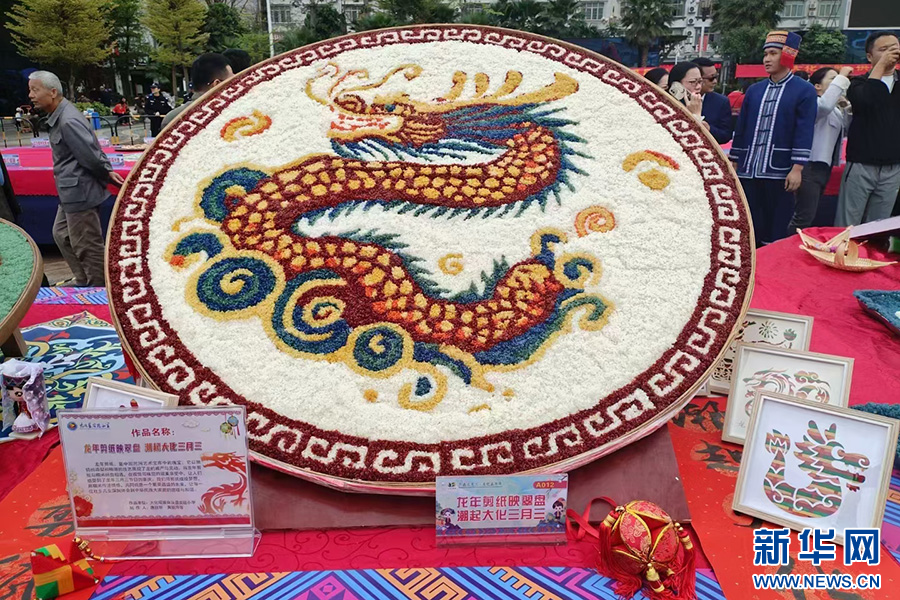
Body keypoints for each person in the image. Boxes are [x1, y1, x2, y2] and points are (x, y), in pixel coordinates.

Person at [27, 71, 125, 286]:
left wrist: (106, 172)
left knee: (86, 245)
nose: (31, 95)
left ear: (53, 92)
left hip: (81, 191)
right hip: (70, 192)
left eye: (35, 90)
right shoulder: (60, 115)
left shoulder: (68, 120)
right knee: (62, 234)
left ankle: (99, 287)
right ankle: (83, 279)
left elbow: (90, 155)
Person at [730, 31, 817, 246]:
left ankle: (771, 259)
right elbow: (741, 128)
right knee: (750, 220)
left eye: (773, 53)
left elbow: (804, 130)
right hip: (749, 168)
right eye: (765, 54)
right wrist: (734, 159)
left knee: (777, 222)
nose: (767, 59)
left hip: (780, 169)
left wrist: (797, 168)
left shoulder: (804, 90)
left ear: (787, 55)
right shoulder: (754, 90)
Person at [836, 32, 900, 227]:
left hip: (893, 167)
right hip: (860, 165)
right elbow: (867, 100)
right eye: (883, 49)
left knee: (878, 227)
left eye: (894, 48)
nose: (890, 53)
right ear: (869, 56)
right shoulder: (858, 83)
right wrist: (881, 66)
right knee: (847, 225)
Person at [788, 67, 853, 231]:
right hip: (808, 166)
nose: (838, 82)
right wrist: (842, 76)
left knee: (809, 214)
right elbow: (824, 107)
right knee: (803, 216)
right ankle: (787, 243)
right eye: (833, 79)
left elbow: (847, 126)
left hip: (823, 167)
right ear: (817, 86)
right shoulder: (813, 104)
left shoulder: (835, 110)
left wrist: (846, 107)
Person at [161, 53, 234, 128]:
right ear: (217, 84)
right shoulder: (231, 113)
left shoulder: (172, 118)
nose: (235, 83)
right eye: (232, 80)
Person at [694, 57, 733, 143]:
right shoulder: (677, 99)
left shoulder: (721, 102)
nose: (715, 81)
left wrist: (709, 129)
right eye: (711, 78)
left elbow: (726, 135)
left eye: (716, 77)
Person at [667, 62, 709, 131]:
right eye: (693, 82)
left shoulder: (701, 104)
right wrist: (695, 116)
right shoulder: (666, 107)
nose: (698, 87)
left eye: (700, 81)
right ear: (677, 85)